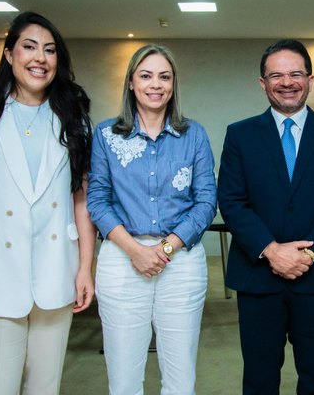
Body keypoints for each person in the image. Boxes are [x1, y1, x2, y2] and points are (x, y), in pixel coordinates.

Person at [0, 11, 95, 394]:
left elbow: (81, 199)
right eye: (29, 47)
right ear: (9, 55)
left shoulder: (72, 118)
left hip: (56, 270)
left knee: (46, 386)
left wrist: (85, 268)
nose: (40, 58)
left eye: (50, 50)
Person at [217, 39, 314, 395]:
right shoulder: (239, 135)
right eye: (276, 75)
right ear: (262, 83)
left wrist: (308, 255)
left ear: (310, 79)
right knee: (259, 380)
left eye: (296, 74)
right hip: (257, 276)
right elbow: (232, 201)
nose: (287, 82)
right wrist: (271, 250)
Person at [87, 44, 217, 395]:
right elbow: (97, 200)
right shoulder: (106, 135)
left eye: (164, 76)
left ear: (173, 84)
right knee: (123, 379)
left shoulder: (194, 135)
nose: (155, 84)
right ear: (131, 82)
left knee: (180, 378)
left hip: (181, 262)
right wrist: (136, 251)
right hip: (121, 259)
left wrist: (165, 249)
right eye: (146, 76)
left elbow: (206, 200)